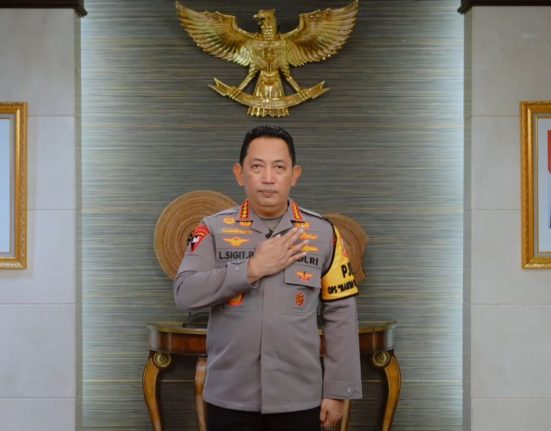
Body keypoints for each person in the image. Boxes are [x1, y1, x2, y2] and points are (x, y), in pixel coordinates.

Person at [174, 125, 362, 431]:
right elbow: (185, 292)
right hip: (229, 397)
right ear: (240, 173)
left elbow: (341, 312)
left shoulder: (324, 233)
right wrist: (251, 269)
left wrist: (338, 391)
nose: (268, 178)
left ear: (294, 175)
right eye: (257, 167)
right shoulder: (212, 229)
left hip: (300, 398)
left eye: (279, 167)